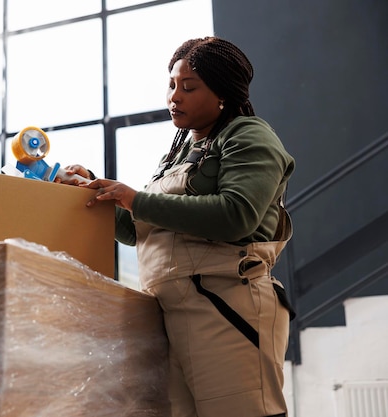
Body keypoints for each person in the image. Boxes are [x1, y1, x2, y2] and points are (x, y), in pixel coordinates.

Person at [59, 36, 295, 417]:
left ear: (222, 92)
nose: (174, 97)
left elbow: (237, 215)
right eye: (171, 85)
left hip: (225, 307)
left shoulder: (249, 136)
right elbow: (137, 231)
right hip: (170, 311)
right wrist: (94, 189)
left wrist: (134, 198)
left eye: (189, 87)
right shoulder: (177, 155)